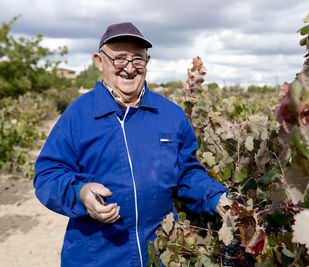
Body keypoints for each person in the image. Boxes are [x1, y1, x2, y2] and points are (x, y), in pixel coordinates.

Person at [33, 22, 228, 267]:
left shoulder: (170, 115)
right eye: (119, 59)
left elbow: (187, 172)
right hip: (94, 258)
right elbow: (47, 176)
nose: (129, 68)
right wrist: (80, 193)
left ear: (147, 62)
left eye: (137, 59)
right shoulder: (78, 116)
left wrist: (218, 198)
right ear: (99, 61)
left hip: (161, 255)